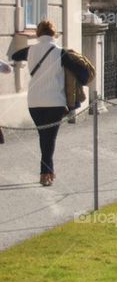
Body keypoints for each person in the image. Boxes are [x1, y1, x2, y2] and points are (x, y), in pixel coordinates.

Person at [9, 20, 90, 186]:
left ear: (38, 34)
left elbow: (15, 56)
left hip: (34, 102)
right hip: (54, 101)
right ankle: (45, 173)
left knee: (44, 137)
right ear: (54, 34)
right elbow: (83, 74)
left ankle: (47, 172)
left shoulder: (30, 50)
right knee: (49, 139)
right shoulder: (61, 53)